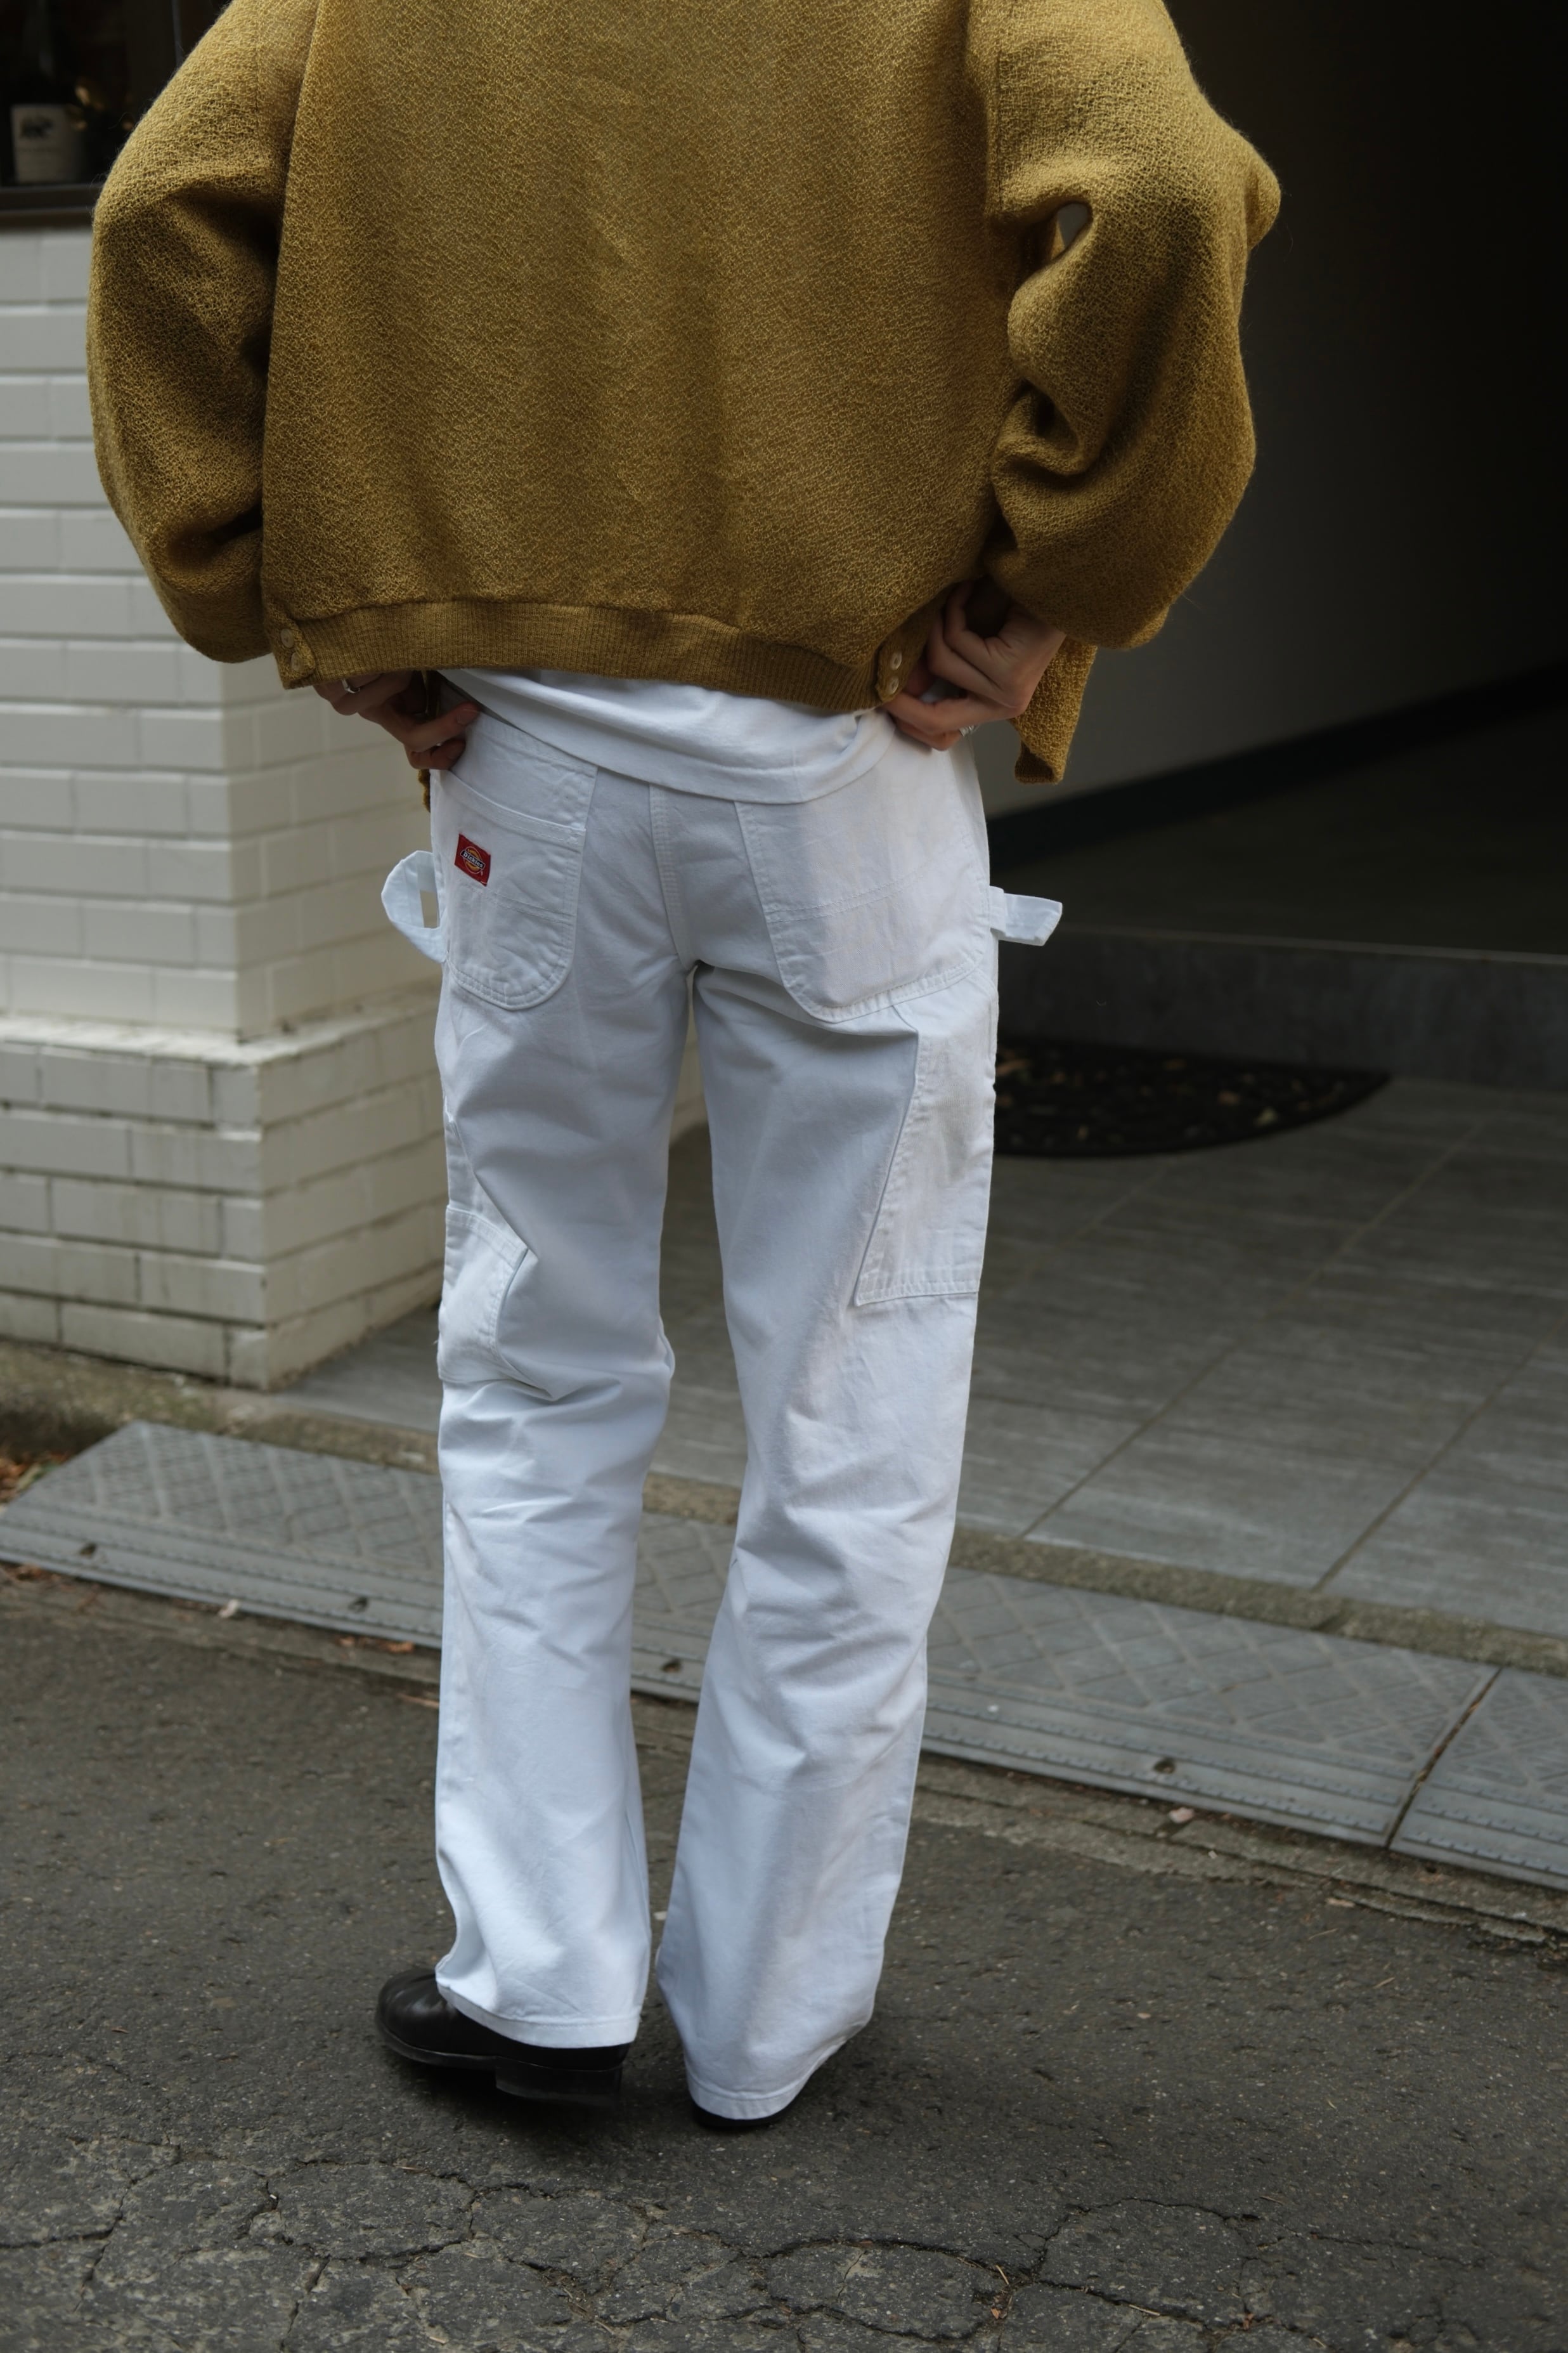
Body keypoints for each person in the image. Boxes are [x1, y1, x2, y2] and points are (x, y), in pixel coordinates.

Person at [87, 0, 1277, 2126]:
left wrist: (289, 587)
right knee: (852, 1396)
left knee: (535, 1368)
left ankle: (538, 1981)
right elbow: (1166, 184)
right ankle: (763, 2016)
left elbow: (163, 208)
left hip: (523, 751)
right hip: (848, 757)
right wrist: (1064, 578)